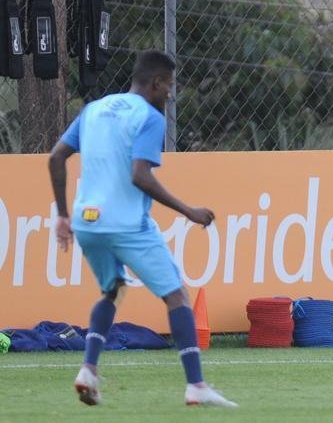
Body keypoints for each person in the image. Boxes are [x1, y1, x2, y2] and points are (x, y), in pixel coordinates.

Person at [47, 49, 236, 408]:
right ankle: (196, 384)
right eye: (168, 86)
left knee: (113, 289)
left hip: (87, 221)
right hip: (126, 224)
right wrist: (188, 211)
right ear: (155, 83)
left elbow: (56, 157)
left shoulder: (94, 110)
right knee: (177, 294)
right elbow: (140, 175)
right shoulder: (150, 118)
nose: (170, 93)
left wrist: (61, 215)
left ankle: (88, 369)